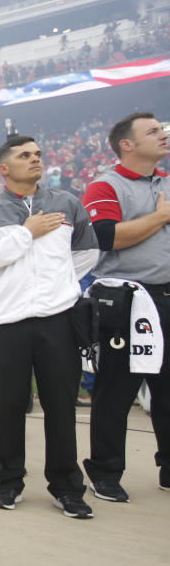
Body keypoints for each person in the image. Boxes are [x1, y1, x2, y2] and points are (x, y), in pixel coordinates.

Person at [0, 135, 99, 518]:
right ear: (4, 169)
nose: (35, 159)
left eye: (38, 154)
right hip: (7, 322)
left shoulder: (67, 203)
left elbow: (87, 252)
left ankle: (67, 487)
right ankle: (8, 483)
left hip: (57, 320)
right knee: (9, 406)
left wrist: (59, 285)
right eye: (25, 156)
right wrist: (27, 232)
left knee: (61, 406)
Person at [81, 112, 170, 498]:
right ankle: (104, 472)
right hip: (126, 300)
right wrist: (161, 216)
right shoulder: (104, 186)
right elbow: (106, 238)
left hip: (166, 295)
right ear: (127, 145)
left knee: (168, 390)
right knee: (115, 391)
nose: (162, 134)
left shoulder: (165, 181)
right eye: (152, 131)